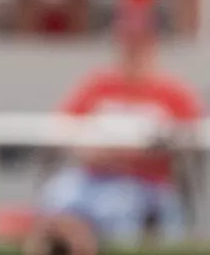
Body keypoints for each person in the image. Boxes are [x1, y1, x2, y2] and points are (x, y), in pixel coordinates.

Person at [40, 25, 200, 243]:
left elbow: (191, 134)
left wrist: (146, 150)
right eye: (127, 48)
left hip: (147, 181)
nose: (132, 56)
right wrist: (88, 149)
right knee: (57, 195)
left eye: (138, 48)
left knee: (117, 207)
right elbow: (63, 125)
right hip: (95, 176)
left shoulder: (173, 92)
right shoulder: (98, 86)